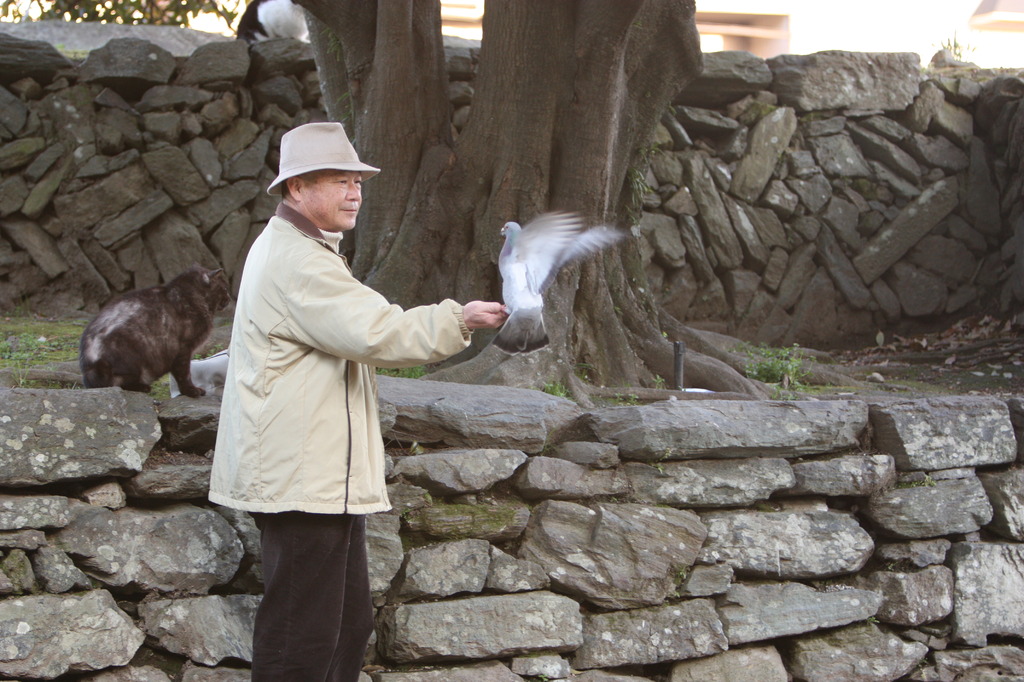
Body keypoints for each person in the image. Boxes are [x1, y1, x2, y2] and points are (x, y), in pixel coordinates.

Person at [209, 121, 508, 681]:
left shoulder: (303, 249)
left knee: (344, 628)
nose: (355, 192)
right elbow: (376, 332)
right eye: (339, 180)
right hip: (300, 477)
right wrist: (458, 318)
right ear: (297, 189)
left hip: (315, 475)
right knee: (304, 631)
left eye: (358, 181)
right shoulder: (298, 261)